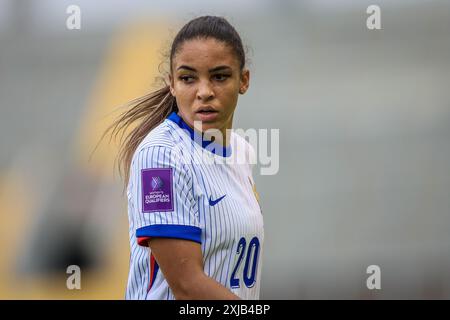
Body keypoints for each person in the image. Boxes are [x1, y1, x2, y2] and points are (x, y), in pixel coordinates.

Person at [106, 15, 264, 300]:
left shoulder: (242, 150)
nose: (204, 92)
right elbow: (187, 287)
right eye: (188, 78)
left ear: (244, 80)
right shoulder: (160, 157)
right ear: (172, 84)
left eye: (219, 76)